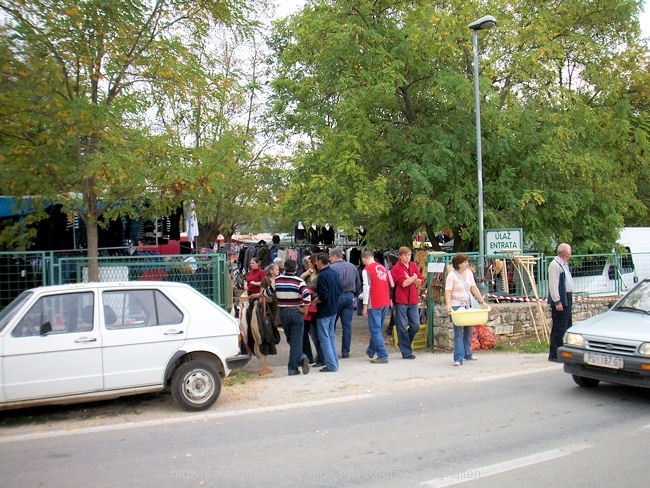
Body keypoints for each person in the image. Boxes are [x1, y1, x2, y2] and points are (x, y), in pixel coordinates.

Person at [264, 259, 311, 376]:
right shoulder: (299, 281)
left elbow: (267, 293)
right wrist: (305, 309)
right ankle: (296, 364)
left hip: (283, 313)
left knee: (291, 339)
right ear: (295, 269)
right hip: (296, 311)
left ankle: (299, 360)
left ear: (284, 268)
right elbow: (306, 295)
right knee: (296, 340)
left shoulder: (277, 280)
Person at [444, 253, 489, 366]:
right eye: (465, 262)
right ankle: (458, 358)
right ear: (459, 264)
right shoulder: (452, 276)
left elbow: (473, 287)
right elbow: (448, 291)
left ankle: (467, 353)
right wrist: (448, 304)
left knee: (468, 331)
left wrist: (482, 302)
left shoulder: (469, 273)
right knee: (458, 332)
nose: (467, 264)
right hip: (456, 305)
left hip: (467, 305)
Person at [390, 246, 424, 359]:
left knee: (416, 324)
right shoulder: (397, 268)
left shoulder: (413, 266)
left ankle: (404, 343)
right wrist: (413, 278)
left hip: (413, 300)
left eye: (409, 255)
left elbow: (420, 281)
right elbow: (403, 283)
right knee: (402, 325)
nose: (408, 257)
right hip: (401, 300)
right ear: (400, 256)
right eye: (405, 255)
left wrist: (411, 278)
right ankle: (406, 352)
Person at [328, 248, 361, 358]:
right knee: (347, 325)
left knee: (331, 324)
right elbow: (358, 282)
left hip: (336, 297)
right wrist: (355, 295)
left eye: (330, 257)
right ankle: (345, 351)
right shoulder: (352, 266)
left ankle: (331, 349)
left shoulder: (331, 268)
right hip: (349, 296)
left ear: (334, 256)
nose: (329, 259)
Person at [313, 252, 343, 372]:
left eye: (316, 261)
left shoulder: (322, 276)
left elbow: (324, 295)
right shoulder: (334, 273)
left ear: (320, 262)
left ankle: (331, 364)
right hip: (333, 309)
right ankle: (334, 361)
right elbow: (340, 289)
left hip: (325, 310)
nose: (315, 263)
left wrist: (317, 300)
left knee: (324, 338)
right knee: (330, 336)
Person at [360, 250, 391, 363]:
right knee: (378, 328)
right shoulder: (382, 267)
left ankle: (383, 355)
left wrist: (364, 306)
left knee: (375, 330)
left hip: (374, 302)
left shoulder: (366, 270)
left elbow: (366, 288)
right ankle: (372, 350)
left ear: (363, 259)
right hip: (385, 301)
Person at [547, 243, 574, 362]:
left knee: (566, 326)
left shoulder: (564, 265)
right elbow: (553, 285)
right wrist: (557, 301)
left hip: (567, 297)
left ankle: (564, 351)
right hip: (561, 300)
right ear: (566, 253)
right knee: (559, 327)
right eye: (570, 252)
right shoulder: (555, 265)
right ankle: (555, 354)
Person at [301, 255, 323, 366]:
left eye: (310, 262)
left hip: (315, 306)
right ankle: (309, 356)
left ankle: (321, 356)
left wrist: (310, 294)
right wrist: (304, 275)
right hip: (307, 308)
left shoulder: (320, 275)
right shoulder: (308, 275)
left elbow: (322, 292)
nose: (309, 264)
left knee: (316, 334)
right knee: (307, 333)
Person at [243, 257, 266, 353]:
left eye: (253, 263)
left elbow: (264, 283)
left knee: (257, 318)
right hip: (250, 296)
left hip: (258, 297)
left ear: (257, 263)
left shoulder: (262, 272)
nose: (251, 265)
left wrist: (255, 283)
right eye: (250, 263)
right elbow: (246, 280)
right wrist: (245, 284)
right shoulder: (250, 272)